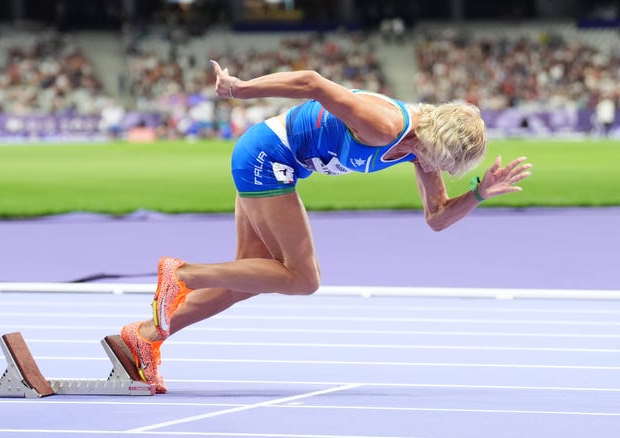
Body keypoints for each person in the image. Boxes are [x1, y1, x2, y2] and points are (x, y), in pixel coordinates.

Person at [120, 60, 533, 393]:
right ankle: (182, 274)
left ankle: (145, 337)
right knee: (303, 278)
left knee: (244, 281)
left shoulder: (419, 148)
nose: (435, 169)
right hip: (268, 154)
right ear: (432, 142)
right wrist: (239, 89)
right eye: (439, 162)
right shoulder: (383, 124)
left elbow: (438, 217)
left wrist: (478, 194)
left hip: (276, 162)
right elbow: (312, 82)